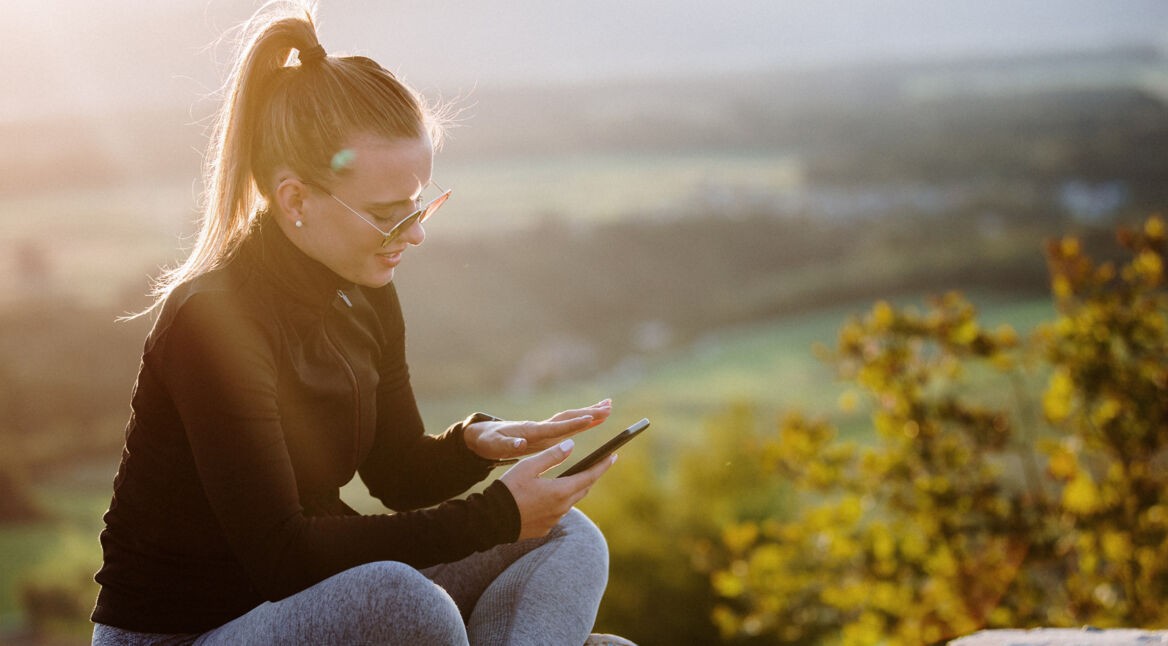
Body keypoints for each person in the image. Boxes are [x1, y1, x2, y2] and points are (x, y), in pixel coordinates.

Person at [90, 3, 633, 644]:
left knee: (567, 534)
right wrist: (498, 514)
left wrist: (478, 445)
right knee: (402, 602)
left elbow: (398, 474)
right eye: (387, 214)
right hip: (188, 631)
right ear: (295, 199)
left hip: (306, 602)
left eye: (420, 204)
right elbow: (283, 554)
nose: (416, 233)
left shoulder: (366, 291)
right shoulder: (213, 325)